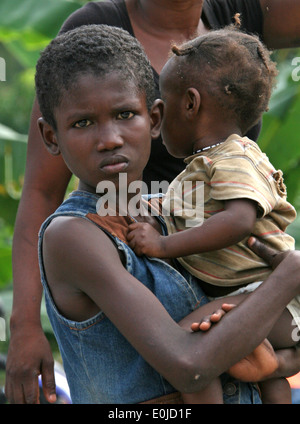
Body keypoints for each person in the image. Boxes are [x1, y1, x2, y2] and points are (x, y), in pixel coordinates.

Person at [7, 0, 300, 404]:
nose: (109, 138)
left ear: (157, 120)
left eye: (126, 115)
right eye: (83, 123)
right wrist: (290, 275)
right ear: (52, 137)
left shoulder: (172, 208)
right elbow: (190, 366)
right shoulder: (74, 237)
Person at [126, 26, 300, 403]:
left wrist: (162, 245)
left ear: (190, 104)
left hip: (271, 296)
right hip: (260, 298)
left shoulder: (233, 157)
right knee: (266, 376)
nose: (157, 118)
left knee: (188, 349)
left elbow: (238, 221)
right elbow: (191, 212)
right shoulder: (203, 167)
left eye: (163, 105)